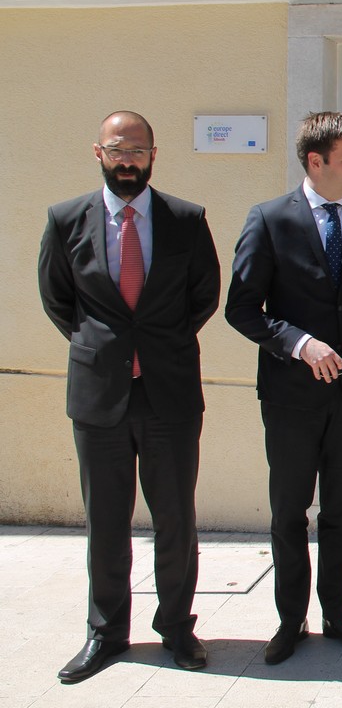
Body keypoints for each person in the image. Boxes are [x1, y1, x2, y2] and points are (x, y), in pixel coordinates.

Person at [38, 111, 221, 683]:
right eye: (118, 149)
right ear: (99, 152)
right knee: (106, 523)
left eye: (138, 150)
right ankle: (106, 633)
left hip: (169, 393)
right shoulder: (66, 219)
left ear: (153, 156)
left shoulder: (186, 219)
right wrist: (104, 348)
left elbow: (204, 296)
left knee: (176, 520)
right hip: (99, 395)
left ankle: (177, 628)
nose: (128, 160)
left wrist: (158, 345)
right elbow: (58, 299)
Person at [226, 111, 342, 665]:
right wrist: (300, 344)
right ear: (315, 161)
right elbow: (242, 309)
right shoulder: (269, 219)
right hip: (291, 398)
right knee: (289, 513)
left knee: (340, 512)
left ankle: (337, 612)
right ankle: (290, 620)